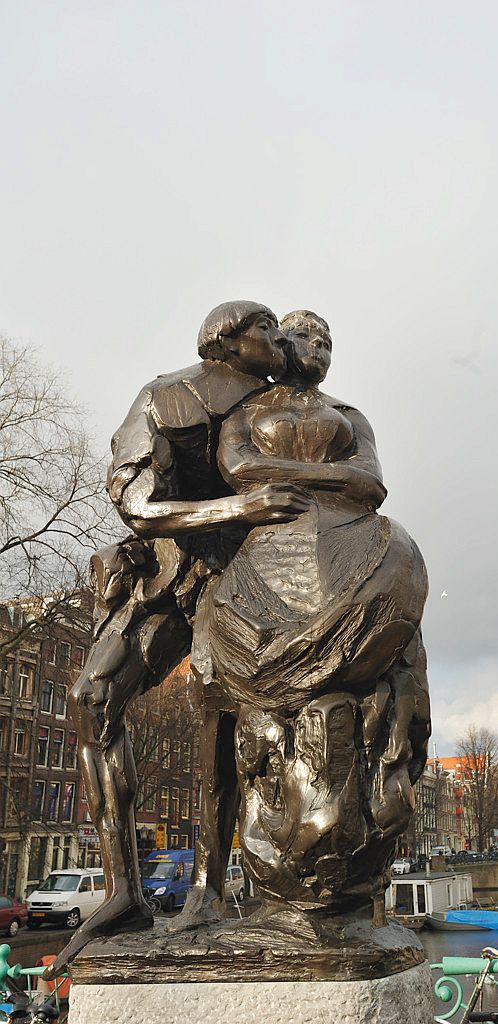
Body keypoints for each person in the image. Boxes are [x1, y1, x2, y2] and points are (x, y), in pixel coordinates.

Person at [48, 301, 311, 975]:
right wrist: (237, 506)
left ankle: (210, 894)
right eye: (263, 328)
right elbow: (135, 504)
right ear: (224, 339)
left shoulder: (291, 403)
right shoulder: (167, 398)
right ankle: (124, 893)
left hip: (249, 579)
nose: (277, 338)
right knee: (92, 697)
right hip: (173, 569)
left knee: (220, 730)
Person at [188, 310, 430, 916]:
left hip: (351, 546)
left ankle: (348, 851)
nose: (319, 347)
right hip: (271, 560)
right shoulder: (247, 410)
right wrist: (328, 478)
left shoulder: (350, 415)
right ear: (279, 343)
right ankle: (264, 871)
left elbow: (371, 482)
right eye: (307, 337)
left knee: (366, 688)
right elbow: (237, 469)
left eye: (329, 340)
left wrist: (294, 481)